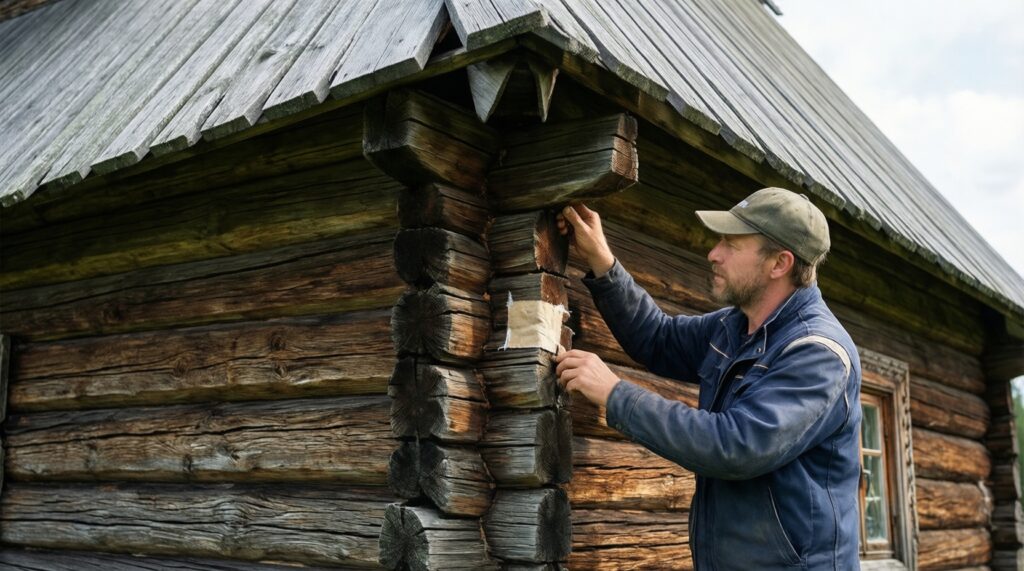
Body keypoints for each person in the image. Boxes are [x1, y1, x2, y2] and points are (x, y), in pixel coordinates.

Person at [554, 187, 862, 570]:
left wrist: (616, 393)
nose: (713, 253)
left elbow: (736, 445)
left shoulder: (818, 352)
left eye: (731, 244)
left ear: (779, 263)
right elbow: (659, 339)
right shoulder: (736, 325)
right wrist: (603, 261)